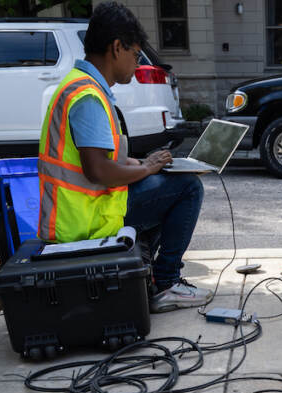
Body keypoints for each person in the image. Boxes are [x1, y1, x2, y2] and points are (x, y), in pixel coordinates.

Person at [38, 1, 211, 313]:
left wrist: (141, 164)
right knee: (188, 187)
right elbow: (98, 171)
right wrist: (145, 168)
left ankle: (151, 274)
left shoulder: (82, 86)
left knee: (168, 181)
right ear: (117, 48)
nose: (136, 63)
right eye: (135, 54)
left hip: (86, 211)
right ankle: (167, 282)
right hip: (84, 224)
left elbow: (97, 160)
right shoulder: (88, 96)